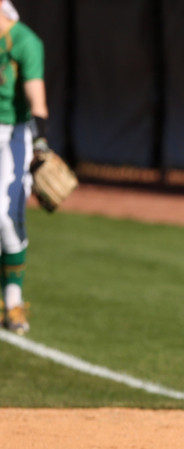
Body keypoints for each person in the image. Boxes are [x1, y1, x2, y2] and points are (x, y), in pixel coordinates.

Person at [0, 0, 49, 335]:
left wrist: (40, 146)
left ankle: (13, 303)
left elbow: (37, 100)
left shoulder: (25, 42)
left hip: (14, 134)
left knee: (7, 219)